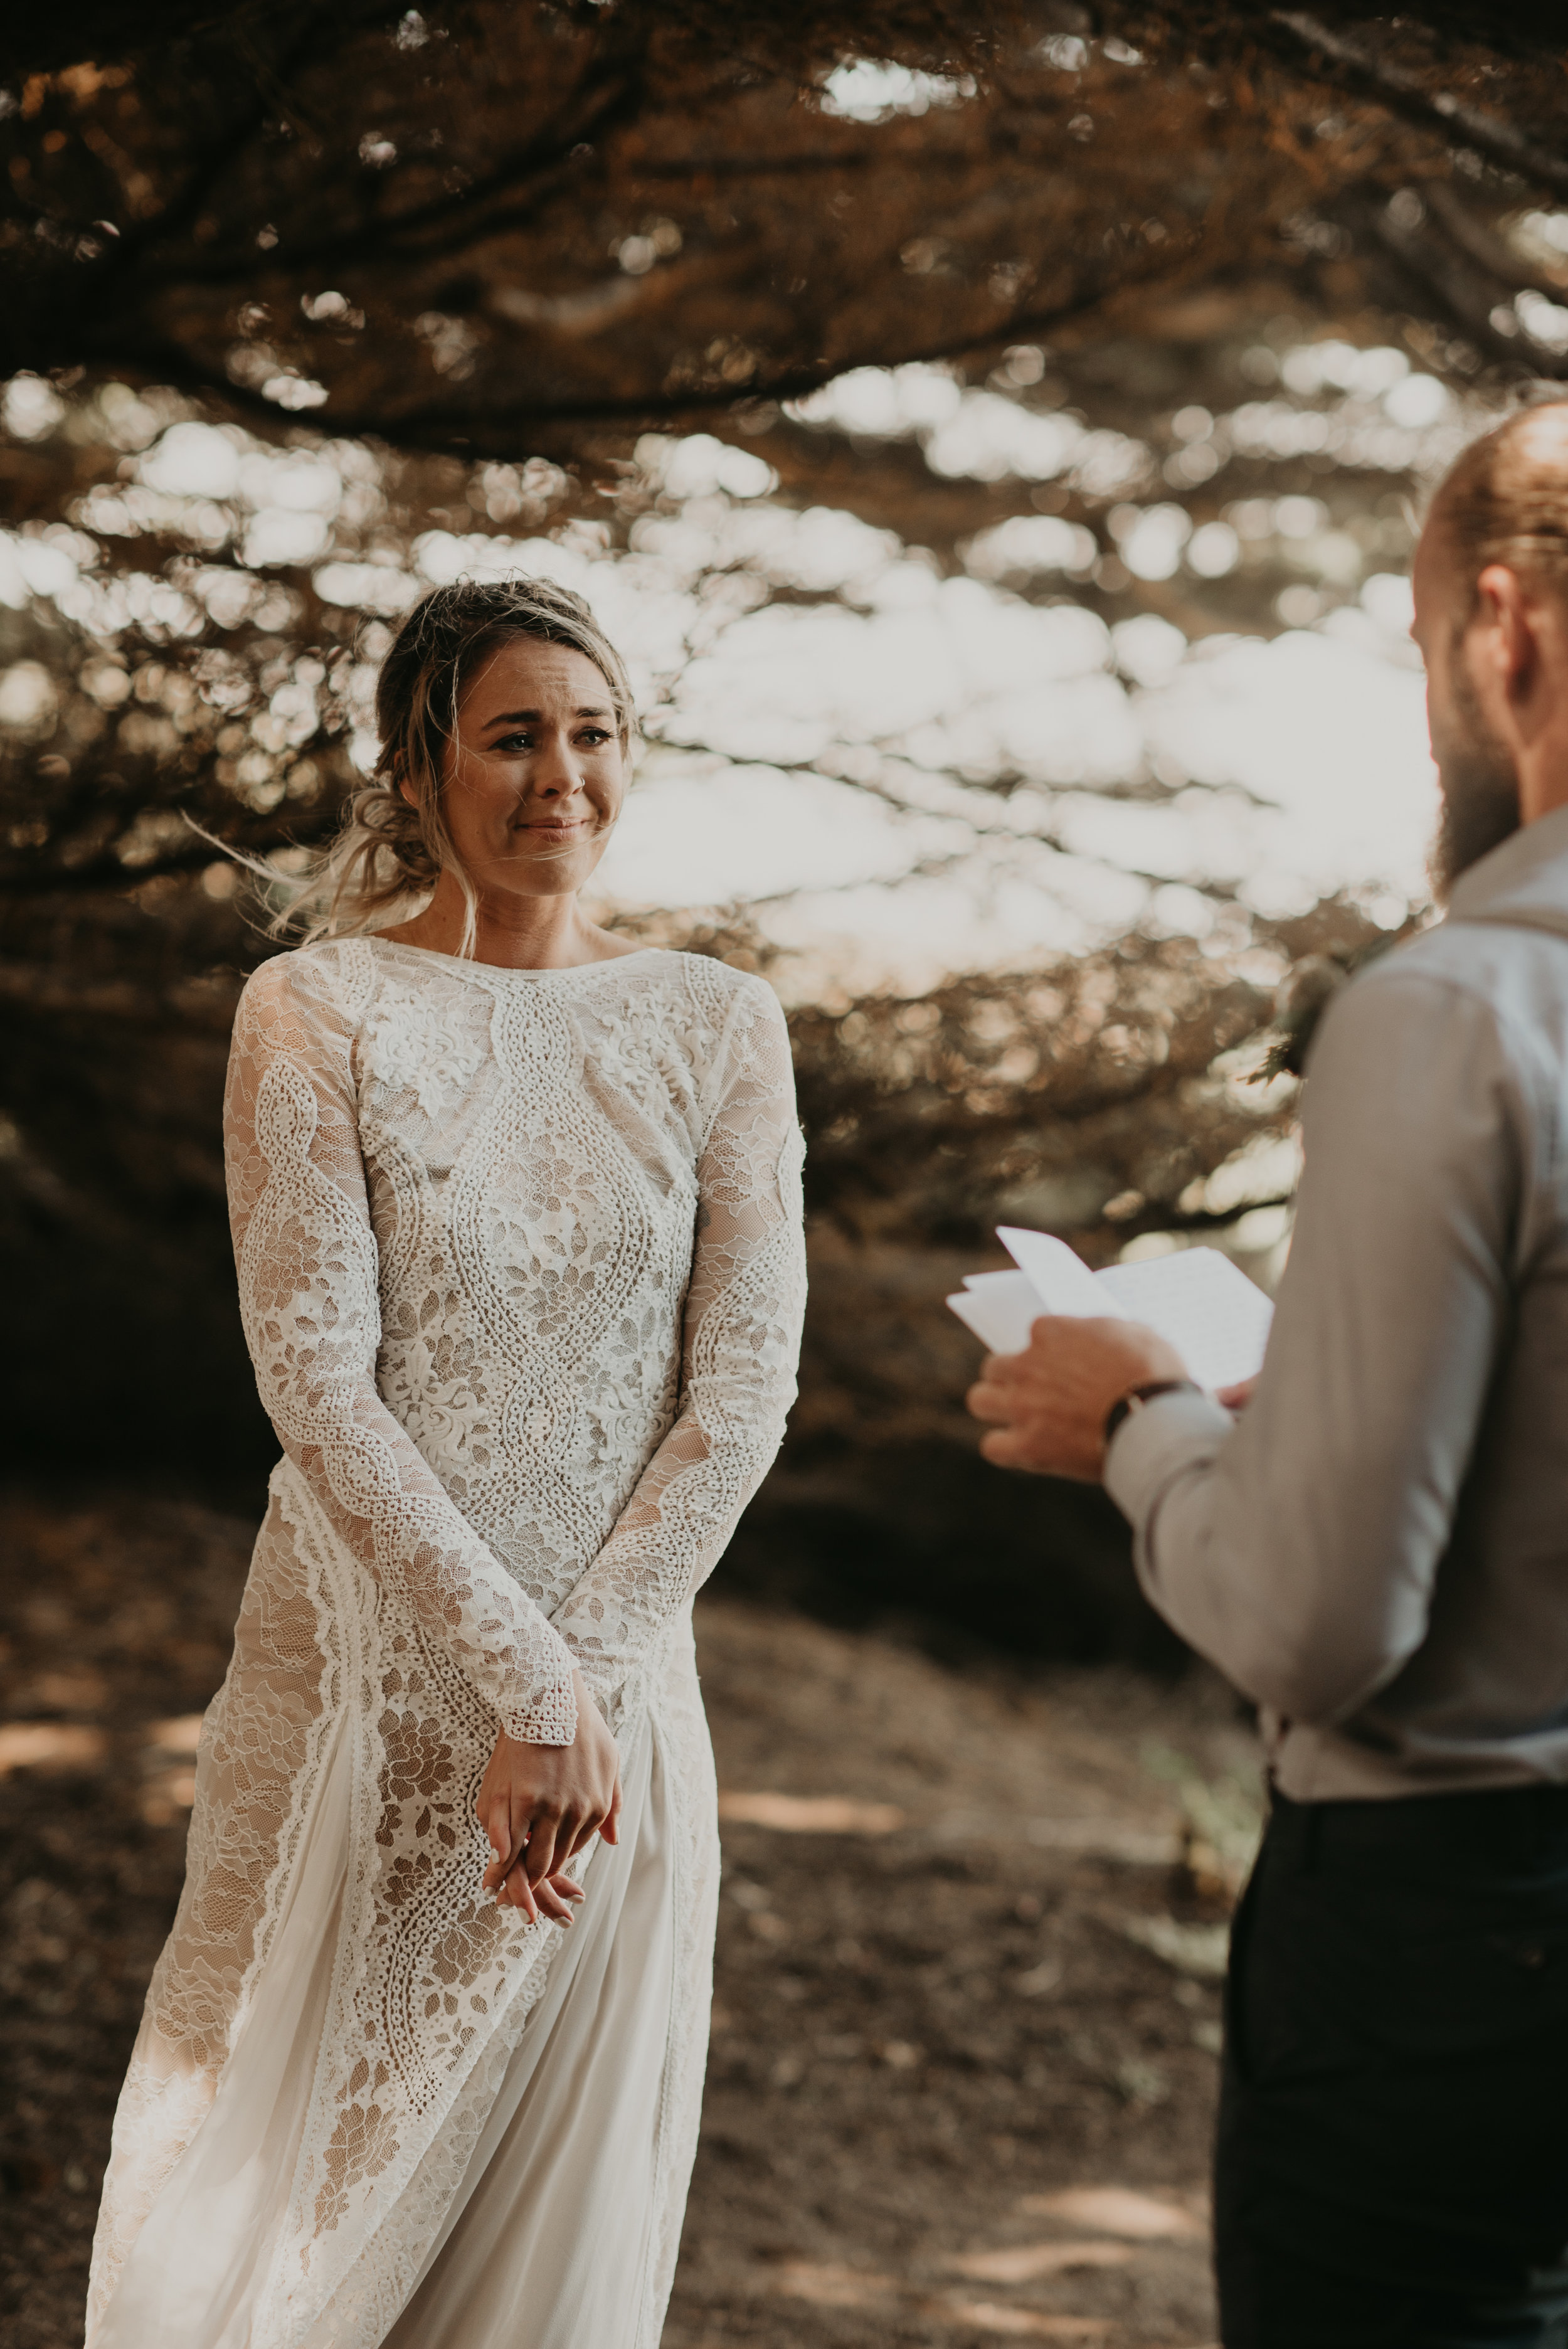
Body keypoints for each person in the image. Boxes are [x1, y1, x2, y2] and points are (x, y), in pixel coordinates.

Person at [85, 578, 807, 2349]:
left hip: (618, 1703)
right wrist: (510, 1679)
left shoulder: (718, 1025)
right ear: (417, 768)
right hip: (367, 1687)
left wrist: (584, 1687)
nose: (561, 772)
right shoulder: (315, 1011)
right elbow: (316, 1380)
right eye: (512, 735)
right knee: (284, 2198)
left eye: (593, 731)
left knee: (545, 2246)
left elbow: (745, 1385)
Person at [967, 403, 1568, 2349]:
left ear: (1502, 627)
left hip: (1456, 1960)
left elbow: (1320, 1623)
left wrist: (1141, 1418)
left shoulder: (1454, 1017)